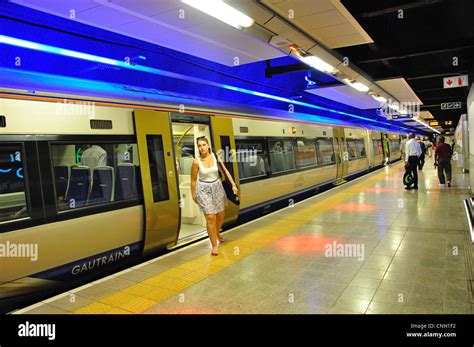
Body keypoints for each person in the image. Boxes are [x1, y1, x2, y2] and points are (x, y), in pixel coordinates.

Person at [191, 136, 238, 256]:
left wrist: (233, 185)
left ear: (208, 146)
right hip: (203, 190)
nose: (202, 148)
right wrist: (193, 194)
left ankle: (216, 232)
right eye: (199, 146)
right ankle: (214, 245)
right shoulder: (196, 162)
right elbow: (193, 180)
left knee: (221, 215)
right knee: (210, 217)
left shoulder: (215, 157)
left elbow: (225, 171)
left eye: (203, 145)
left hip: (217, 187)